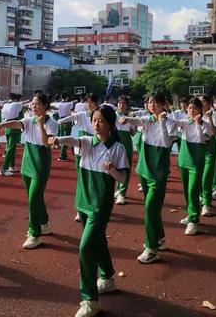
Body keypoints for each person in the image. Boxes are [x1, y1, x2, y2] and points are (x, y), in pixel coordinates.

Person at [49, 105, 128, 317]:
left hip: (100, 205)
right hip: (83, 200)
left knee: (85, 248)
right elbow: (72, 141)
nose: (96, 124)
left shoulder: (117, 148)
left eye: (101, 120)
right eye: (94, 120)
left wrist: (111, 170)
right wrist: (57, 140)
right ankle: (108, 277)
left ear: (110, 124)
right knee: (98, 241)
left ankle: (90, 300)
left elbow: (123, 179)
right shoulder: (86, 142)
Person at [0, 92, 58, 249]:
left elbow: (46, 143)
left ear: (45, 106)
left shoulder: (52, 123)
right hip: (27, 161)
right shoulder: (28, 120)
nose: (32, 106)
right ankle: (44, 223)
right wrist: (2, 125)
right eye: (32, 103)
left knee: (34, 198)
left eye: (36, 104)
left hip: (41, 162)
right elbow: (16, 123)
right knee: (35, 196)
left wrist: (41, 124)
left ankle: (34, 234)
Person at [120, 92, 174, 263]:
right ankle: (160, 239)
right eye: (150, 102)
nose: (151, 105)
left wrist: (162, 122)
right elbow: (139, 121)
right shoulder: (147, 119)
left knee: (150, 209)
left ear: (163, 104)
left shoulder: (170, 122)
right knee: (152, 208)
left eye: (155, 103)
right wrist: (128, 120)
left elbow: (166, 143)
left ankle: (151, 249)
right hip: (144, 168)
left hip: (158, 172)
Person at [58, 94, 99, 222]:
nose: (88, 104)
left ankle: (93, 205)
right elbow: (74, 116)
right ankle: (80, 209)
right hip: (81, 142)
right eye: (87, 102)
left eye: (91, 102)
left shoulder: (99, 114)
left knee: (93, 177)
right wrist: (62, 120)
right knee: (81, 178)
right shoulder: (83, 114)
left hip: (95, 143)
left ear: (96, 103)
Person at [175, 98, 211, 236]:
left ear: (200, 110)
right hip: (183, 161)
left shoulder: (205, 125)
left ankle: (194, 220)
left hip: (196, 162)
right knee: (186, 191)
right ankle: (190, 214)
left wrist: (197, 124)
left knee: (193, 191)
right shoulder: (184, 122)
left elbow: (202, 139)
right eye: (189, 108)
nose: (191, 111)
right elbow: (173, 124)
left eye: (194, 108)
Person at [199, 95, 216, 217]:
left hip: (210, 149)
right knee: (198, 176)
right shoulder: (193, 115)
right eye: (199, 102)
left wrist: (210, 118)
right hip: (197, 149)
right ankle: (202, 196)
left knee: (206, 176)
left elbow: (213, 133)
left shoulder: (213, 115)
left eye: (204, 101)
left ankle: (206, 204)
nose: (202, 104)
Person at [114, 95, 135, 205]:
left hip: (126, 145)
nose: (122, 106)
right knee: (114, 169)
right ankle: (118, 189)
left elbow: (133, 132)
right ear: (117, 104)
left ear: (127, 106)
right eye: (120, 103)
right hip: (115, 145)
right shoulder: (113, 115)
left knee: (125, 170)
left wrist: (132, 123)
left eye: (124, 104)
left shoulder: (130, 118)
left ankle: (122, 193)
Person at [0, 93, 25, 176]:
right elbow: (22, 114)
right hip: (14, 126)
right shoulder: (17, 104)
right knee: (10, 148)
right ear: (17, 99)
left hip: (7, 125)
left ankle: (12, 166)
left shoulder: (5, 105)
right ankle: (4, 168)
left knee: (11, 148)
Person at [52, 91, 75, 162]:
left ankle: (63, 154)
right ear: (67, 97)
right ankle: (62, 156)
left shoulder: (58, 104)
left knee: (61, 138)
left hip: (60, 121)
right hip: (67, 121)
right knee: (66, 139)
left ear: (61, 97)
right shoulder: (69, 103)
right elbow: (73, 105)